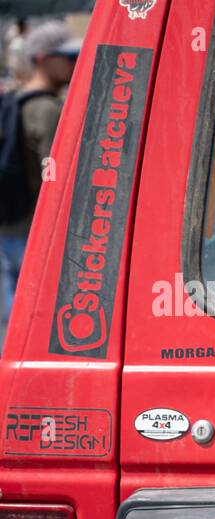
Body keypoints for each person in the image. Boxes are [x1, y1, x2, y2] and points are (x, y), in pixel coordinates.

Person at [0, 20, 77, 344]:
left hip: (9, 222)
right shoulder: (47, 109)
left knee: (14, 311)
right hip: (34, 229)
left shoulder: (13, 100)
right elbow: (59, 179)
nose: (74, 63)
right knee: (38, 318)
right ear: (44, 59)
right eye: (67, 56)